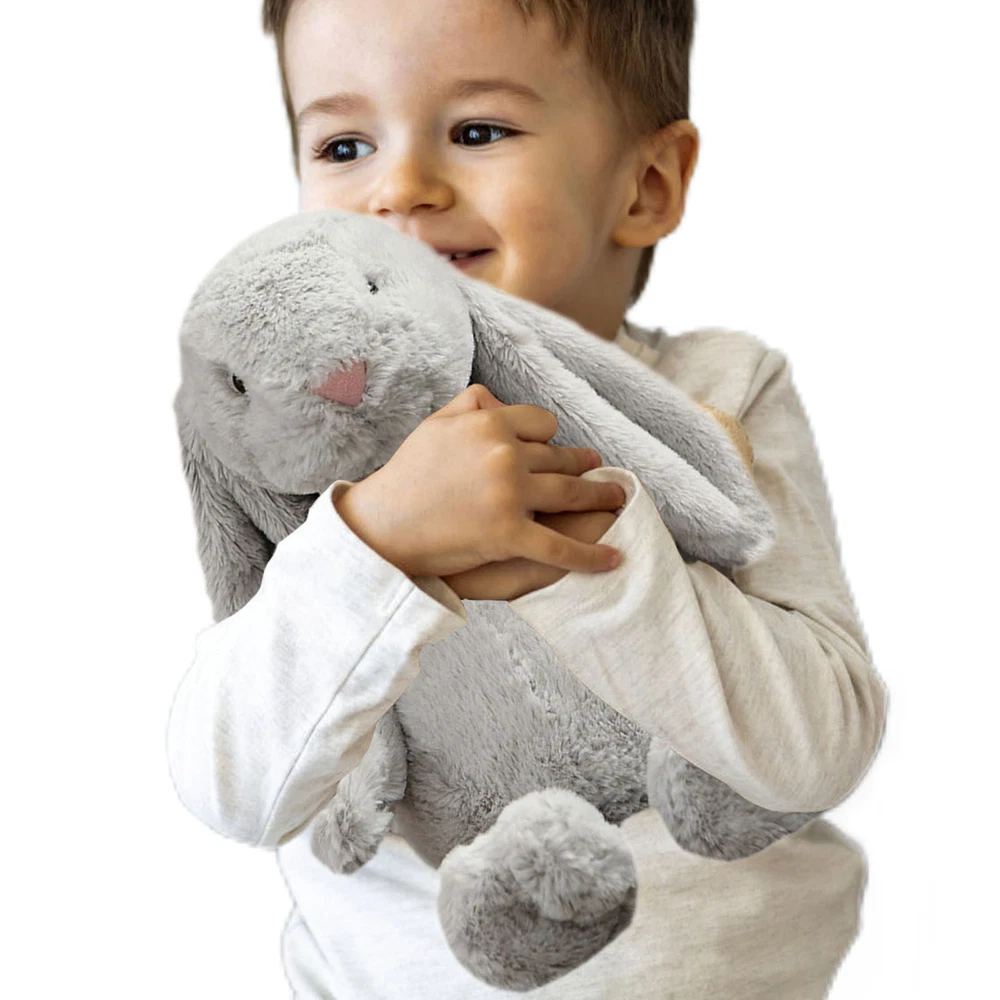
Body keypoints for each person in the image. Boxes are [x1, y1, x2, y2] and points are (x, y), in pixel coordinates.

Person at [165, 0, 889, 996]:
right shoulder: (294, 454)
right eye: (343, 145)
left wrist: (590, 543)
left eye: (477, 131)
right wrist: (373, 546)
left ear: (645, 185)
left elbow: (821, 746)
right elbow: (231, 790)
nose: (399, 188)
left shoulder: (716, 403)